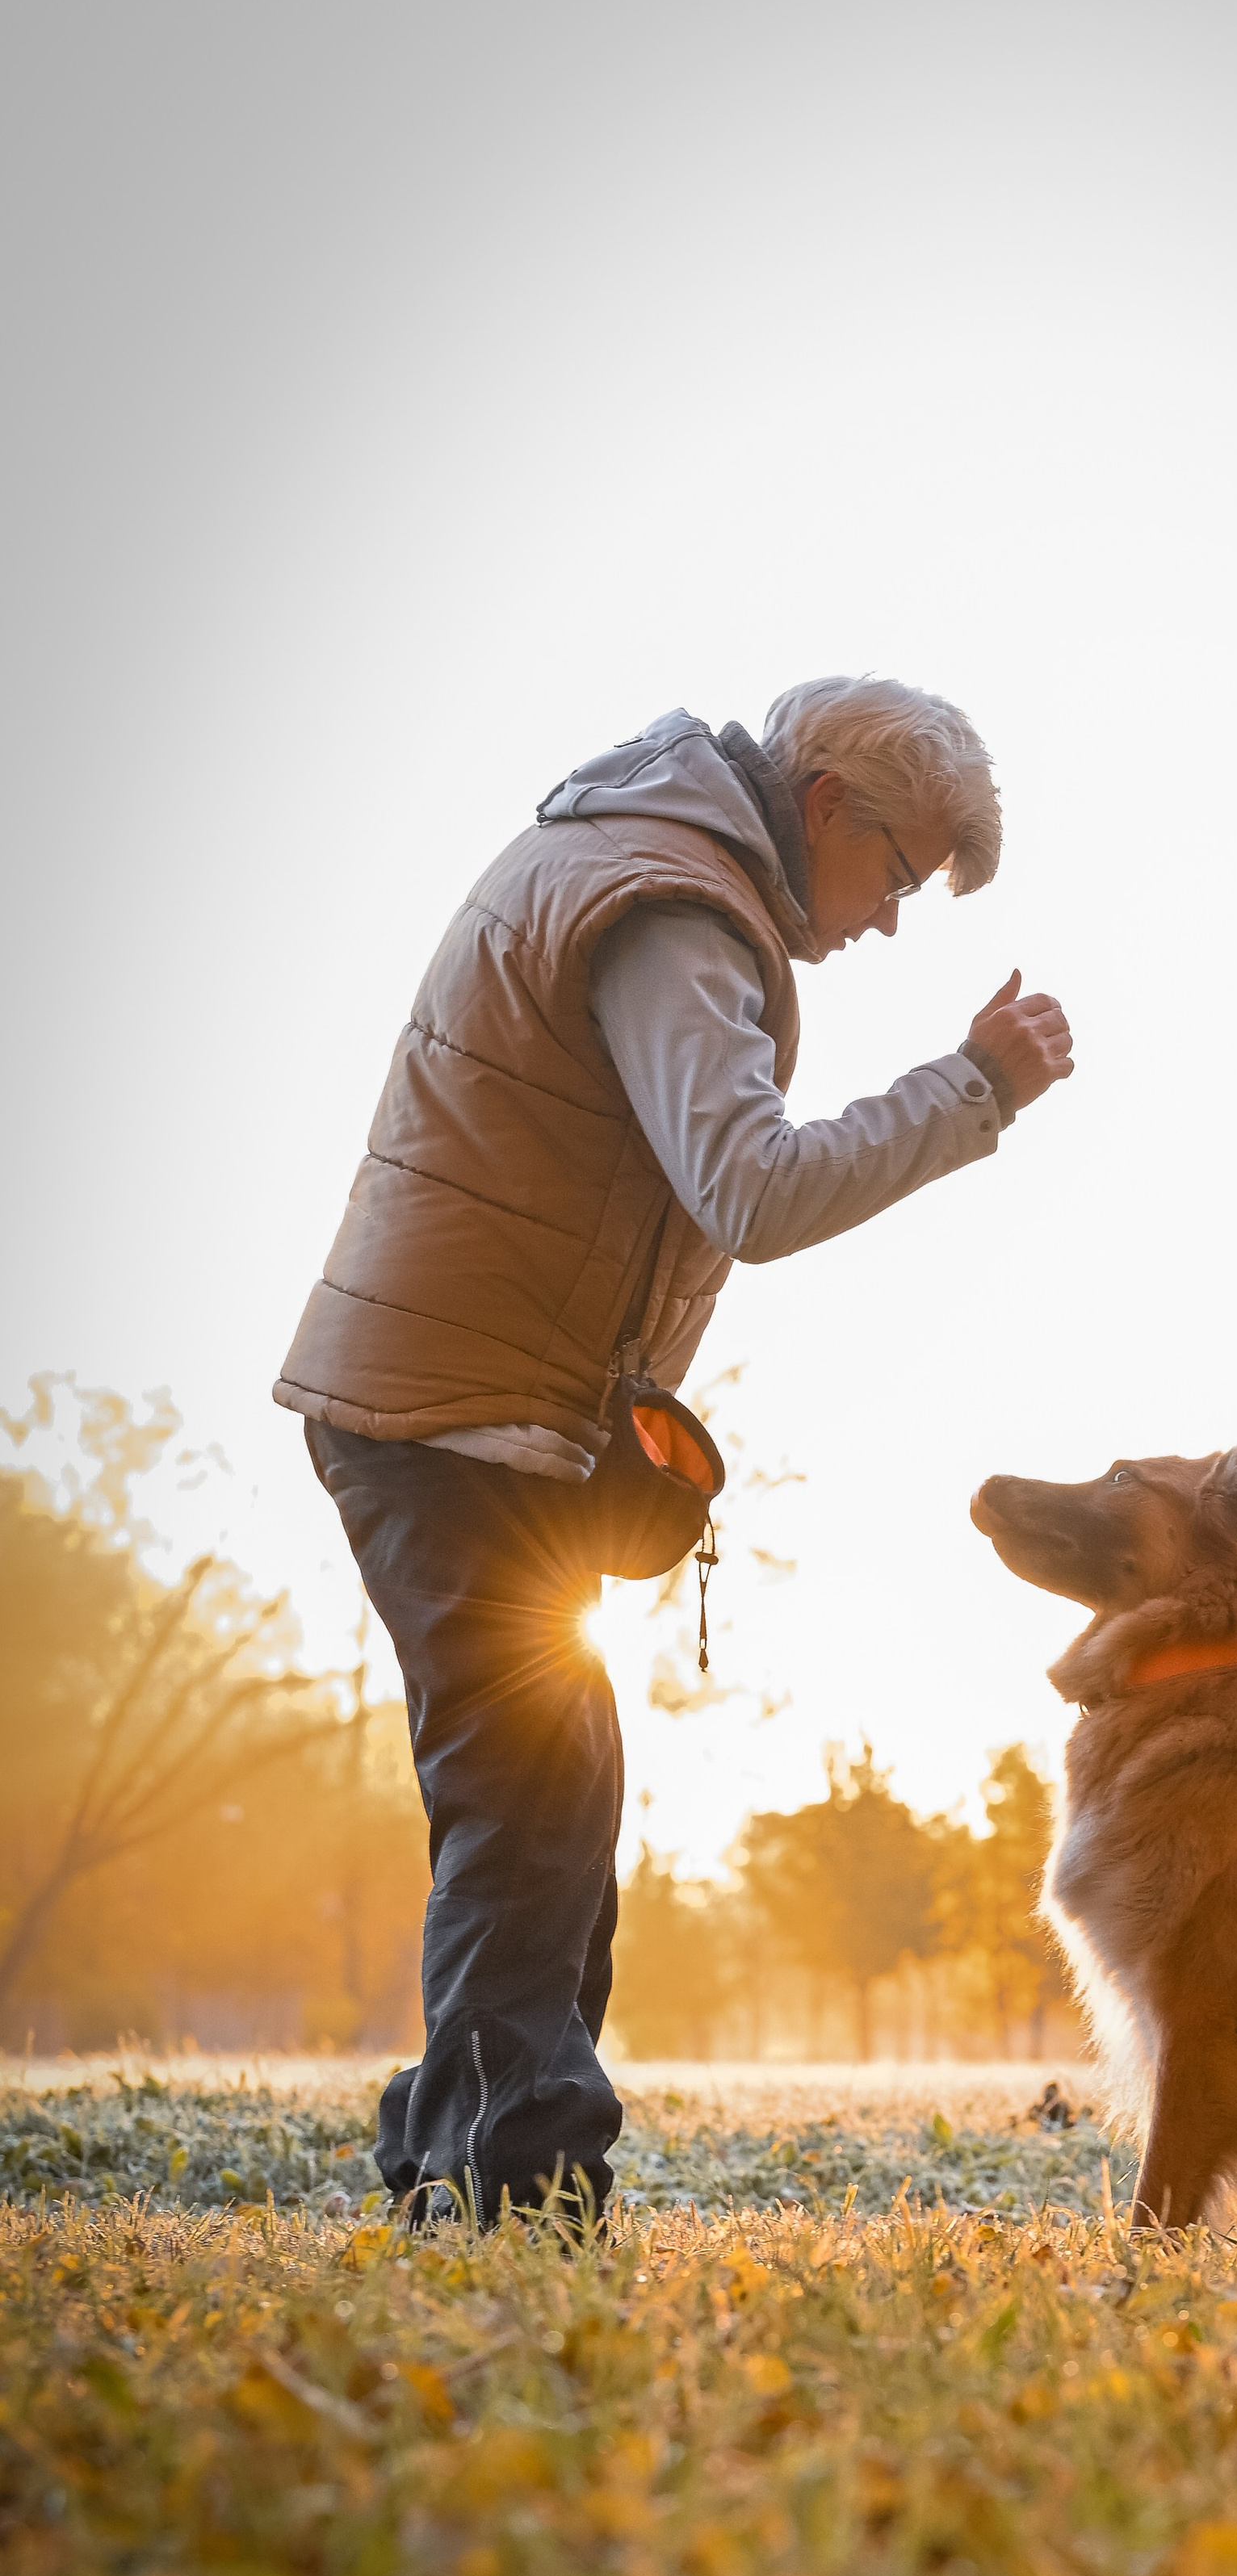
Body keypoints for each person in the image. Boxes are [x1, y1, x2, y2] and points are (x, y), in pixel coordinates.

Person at [275, 681, 1072, 2223]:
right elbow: (751, 1191)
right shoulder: (675, 912)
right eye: (899, 878)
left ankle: (453, 2152)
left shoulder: (654, 860)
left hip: (472, 1412)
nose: (893, 921)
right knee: (529, 1809)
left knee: (551, 1804)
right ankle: (524, 2180)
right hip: (446, 1418)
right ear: (829, 805)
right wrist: (974, 1092)